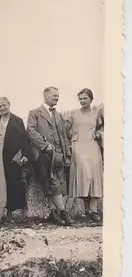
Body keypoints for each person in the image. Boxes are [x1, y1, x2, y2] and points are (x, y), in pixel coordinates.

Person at [27, 86, 73, 225]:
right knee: (52, 181)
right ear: (45, 96)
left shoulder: (59, 115)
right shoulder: (34, 113)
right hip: (43, 154)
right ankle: (63, 212)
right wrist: (45, 145)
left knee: (58, 182)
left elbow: (64, 136)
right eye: (54, 96)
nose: (57, 98)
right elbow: (31, 131)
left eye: (58, 96)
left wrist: (67, 154)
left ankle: (55, 213)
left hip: (59, 154)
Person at [0, 96, 30, 225]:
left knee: (11, 185)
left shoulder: (17, 121)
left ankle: (9, 215)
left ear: (9, 105)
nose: (2, 108)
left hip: (12, 159)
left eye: (4, 105)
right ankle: (0, 215)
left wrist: (24, 154)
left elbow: (24, 140)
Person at [65, 88, 103, 221]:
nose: (82, 101)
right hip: (79, 147)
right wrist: (72, 138)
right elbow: (66, 130)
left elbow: (102, 128)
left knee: (94, 177)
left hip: (93, 146)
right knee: (83, 177)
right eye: (80, 98)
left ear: (91, 99)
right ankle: (86, 210)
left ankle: (94, 210)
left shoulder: (96, 114)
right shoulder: (73, 113)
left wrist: (99, 134)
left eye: (85, 98)